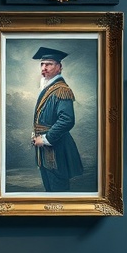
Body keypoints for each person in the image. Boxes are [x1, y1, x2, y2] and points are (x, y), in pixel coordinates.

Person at [31, 46, 83, 193]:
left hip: (56, 148)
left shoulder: (62, 89)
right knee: (49, 189)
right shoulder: (48, 87)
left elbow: (67, 120)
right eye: (42, 64)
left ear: (59, 67)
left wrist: (46, 138)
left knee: (58, 191)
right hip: (44, 149)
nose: (44, 67)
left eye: (49, 64)